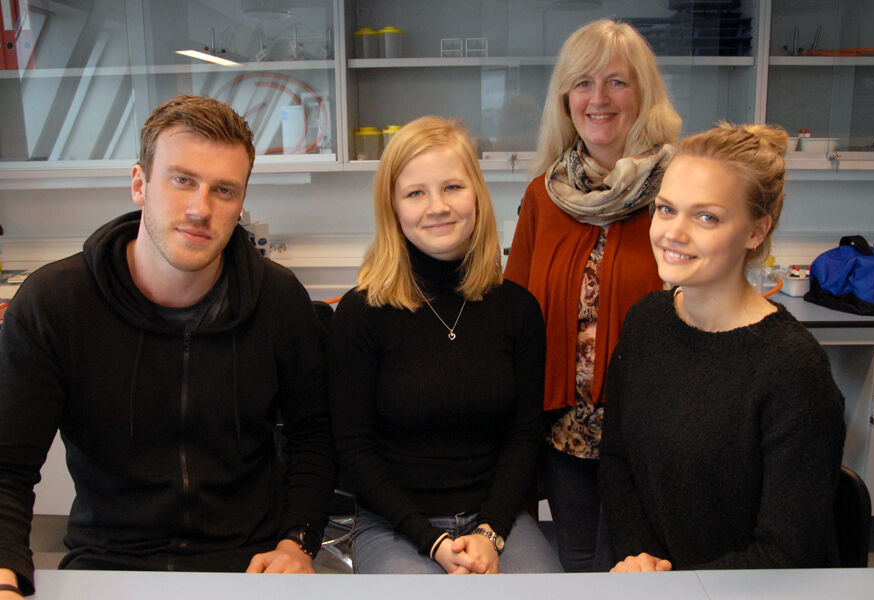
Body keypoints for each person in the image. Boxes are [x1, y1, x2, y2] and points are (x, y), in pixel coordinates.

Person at [0, 95, 335, 597]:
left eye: (224, 190)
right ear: (140, 183)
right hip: (108, 564)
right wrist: (6, 577)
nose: (201, 208)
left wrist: (297, 543)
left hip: (251, 565)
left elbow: (314, 439)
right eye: (182, 180)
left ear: (241, 201)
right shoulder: (56, 303)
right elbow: (8, 466)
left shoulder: (279, 300)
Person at [600, 123, 846, 571]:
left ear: (756, 232)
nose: (674, 232)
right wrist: (638, 555)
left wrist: (673, 586)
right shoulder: (646, 321)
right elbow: (617, 460)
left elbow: (786, 553)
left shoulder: (793, 369)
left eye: (706, 217)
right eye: (666, 209)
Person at [328, 116, 562, 575]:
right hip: (393, 526)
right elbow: (354, 449)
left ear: (476, 194)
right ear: (393, 209)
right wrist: (431, 540)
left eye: (452, 187)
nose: (437, 206)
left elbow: (523, 438)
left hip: (496, 522)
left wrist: (489, 532)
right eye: (415, 193)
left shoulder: (517, 309)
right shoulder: (361, 314)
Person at [503, 19, 682, 572]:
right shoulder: (544, 196)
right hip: (567, 433)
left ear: (644, 95)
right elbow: (517, 315)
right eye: (583, 83)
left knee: (648, 564)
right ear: (565, 99)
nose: (597, 99)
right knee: (581, 565)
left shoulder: (676, 191)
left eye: (617, 82)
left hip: (654, 429)